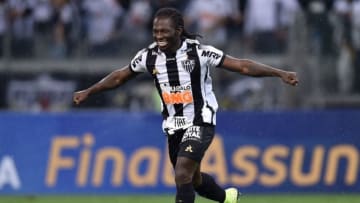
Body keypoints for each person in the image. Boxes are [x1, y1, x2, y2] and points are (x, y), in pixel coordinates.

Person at [73, 7, 299, 203]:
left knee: (182, 173)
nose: (159, 36)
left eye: (164, 31)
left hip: (200, 121)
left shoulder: (199, 52)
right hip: (174, 126)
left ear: (178, 30)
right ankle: (227, 198)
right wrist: (89, 91)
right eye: (155, 31)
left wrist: (279, 73)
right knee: (195, 180)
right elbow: (120, 77)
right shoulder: (148, 56)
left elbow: (243, 66)